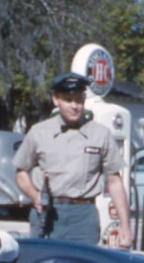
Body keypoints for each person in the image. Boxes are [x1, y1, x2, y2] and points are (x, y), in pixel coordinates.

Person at [14, 72, 132, 248]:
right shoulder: (39, 132)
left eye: (78, 100)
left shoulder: (100, 134)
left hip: (83, 216)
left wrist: (125, 225)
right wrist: (34, 195)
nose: (74, 106)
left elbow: (114, 181)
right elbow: (21, 171)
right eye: (68, 100)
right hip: (47, 213)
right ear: (56, 100)